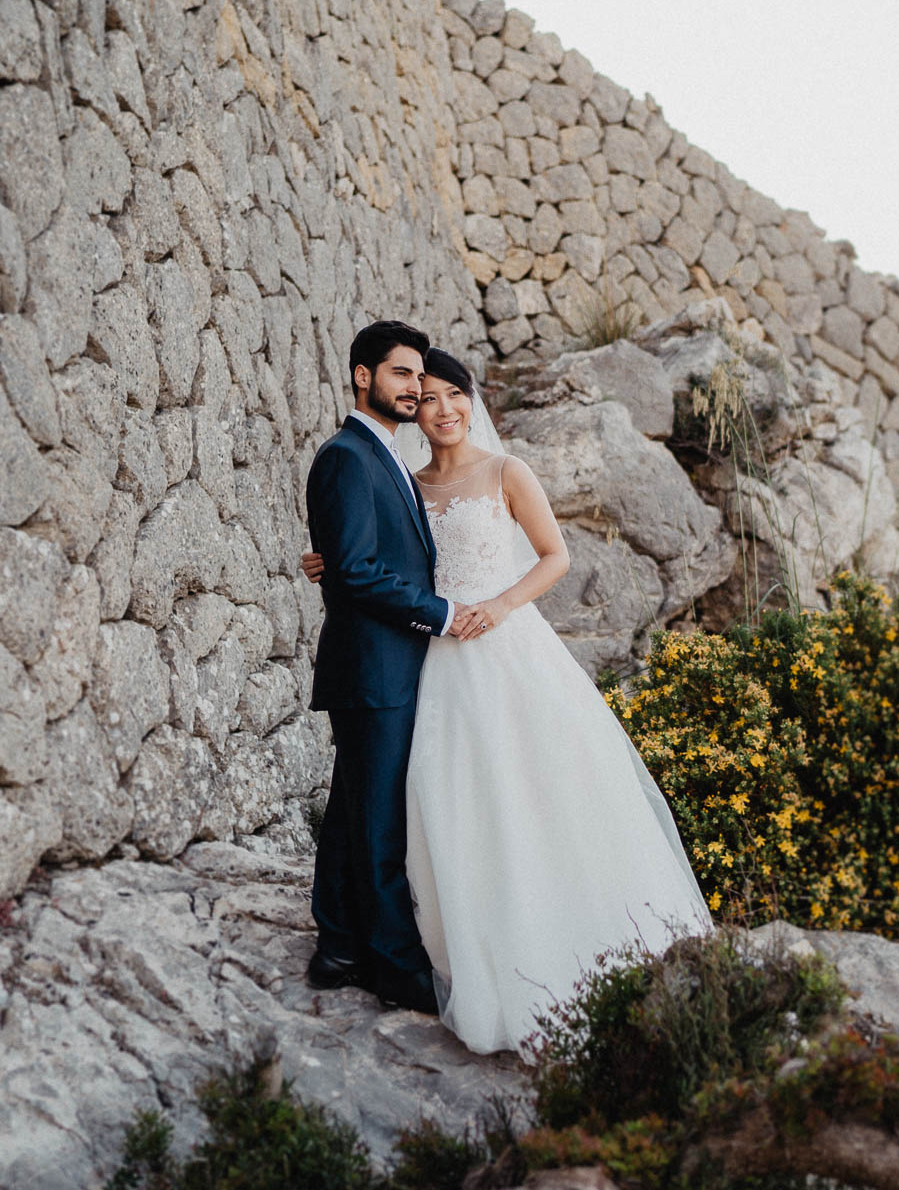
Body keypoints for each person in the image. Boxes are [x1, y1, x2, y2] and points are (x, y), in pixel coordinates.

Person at [303, 345, 712, 1056]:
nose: (442, 408)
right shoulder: (410, 479)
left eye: (452, 393)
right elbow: (381, 555)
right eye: (426, 397)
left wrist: (500, 606)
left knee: (540, 788)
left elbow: (555, 555)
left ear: (471, 398)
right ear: (413, 411)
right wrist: (328, 561)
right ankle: (454, 941)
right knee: (448, 795)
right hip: (435, 658)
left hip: (506, 645)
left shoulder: (506, 470)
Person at [302, 321, 487, 1015]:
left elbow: (354, 556)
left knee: (358, 808)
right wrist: (437, 612)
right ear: (363, 376)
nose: (414, 388)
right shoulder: (348, 456)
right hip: (375, 668)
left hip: (387, 666)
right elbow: (354, 569)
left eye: (421, 377)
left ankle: (340, 943)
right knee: (379, 822)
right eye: (402, 374)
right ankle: (389, 965)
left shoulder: (387, 460)